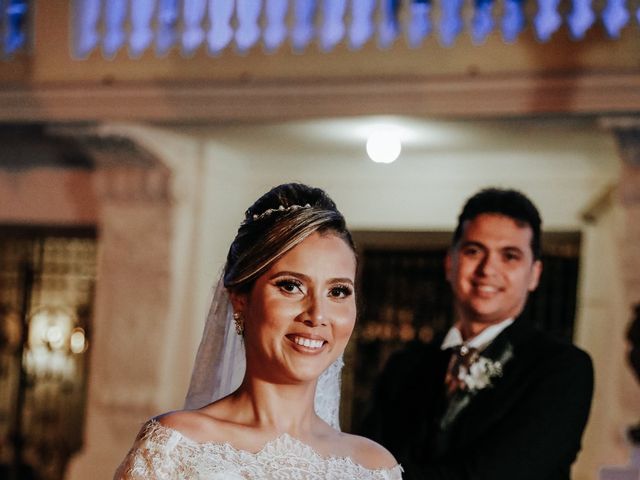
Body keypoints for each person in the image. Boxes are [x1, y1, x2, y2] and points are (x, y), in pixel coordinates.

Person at [114, 183, 402, 479]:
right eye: (291, 286)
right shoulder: (177, 448)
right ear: (240, 299)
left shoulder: (375, 467)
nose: (317, 315)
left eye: (338, 291)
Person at [359, 187, 593, 480]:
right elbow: (363, 458)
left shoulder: (562, 368)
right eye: (473, 251)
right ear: (449, 263)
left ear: (534, 274)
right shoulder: (403, 366)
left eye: (509, 256)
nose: (487, 269)